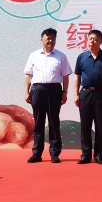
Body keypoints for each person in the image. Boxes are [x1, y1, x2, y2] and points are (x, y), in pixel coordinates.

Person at [24, 28, 72, 164]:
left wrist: (65, 92)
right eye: (48, 38)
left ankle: (54, 153)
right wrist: (26, 91)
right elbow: (28, 75)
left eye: (53, 38)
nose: (50, 40)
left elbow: (65, 76)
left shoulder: (61, 56)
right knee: (38, 123)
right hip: (37, 89)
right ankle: (37, 153)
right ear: (42, 40)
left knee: (53, 122)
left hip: (54, 90)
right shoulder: (34, 55)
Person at [73, 30, 102, 165]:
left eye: (95, 39)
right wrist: (76, 94)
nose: (92, 41)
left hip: (101, 94)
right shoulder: (82, 57)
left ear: (101, 41)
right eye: (90, 38)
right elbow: (77, 77)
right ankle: (85, 155)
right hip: (85, 93)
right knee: (85, 126)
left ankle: (99, 155)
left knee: (100, 125)